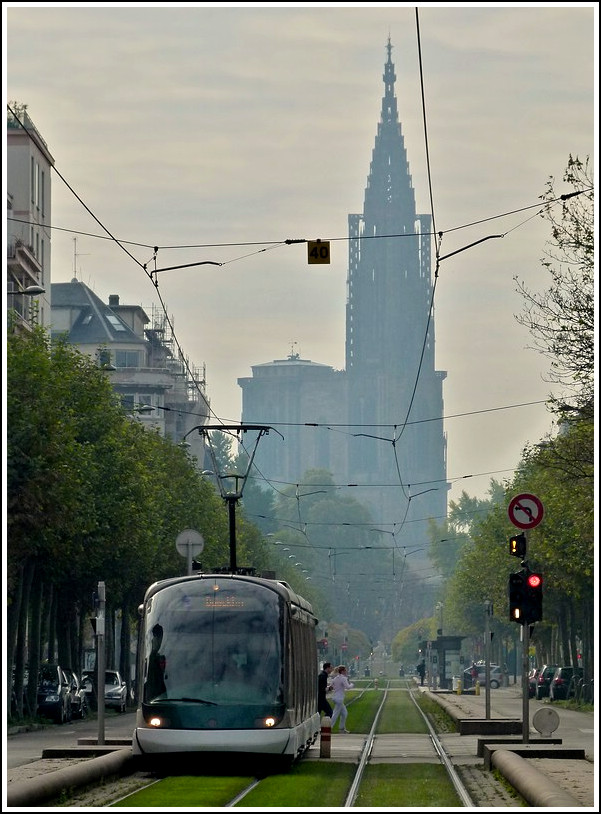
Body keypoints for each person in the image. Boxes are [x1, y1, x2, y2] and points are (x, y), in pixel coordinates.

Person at [329, 664, 354, 733]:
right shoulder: (343, 678)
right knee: (335, 713)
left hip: (335, 697)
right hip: (339, 698)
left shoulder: (336, 678)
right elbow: (347, 687)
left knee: (344, 713)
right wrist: (352, 684)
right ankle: (329, 728)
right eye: (345, 670)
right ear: (342, 671)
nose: (346, 672)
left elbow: (331, 687)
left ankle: (342, 728)